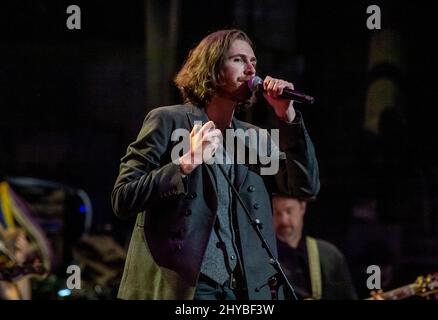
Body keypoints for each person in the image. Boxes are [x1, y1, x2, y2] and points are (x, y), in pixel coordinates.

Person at [111, 29, 320, 300]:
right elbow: (122, 199)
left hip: (244, 290)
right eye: (238, 60)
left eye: (253, 62)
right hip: (188, 287)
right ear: (212, 70)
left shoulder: (253, 138)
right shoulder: (167, 121)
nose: (250, 69)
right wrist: (185, 163)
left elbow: (305, 185)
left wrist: (287, 116)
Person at [272, 194, 357, 300]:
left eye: (289, 211)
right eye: (276, 212)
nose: (283, 220)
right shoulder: (261, 258)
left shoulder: (330, 254)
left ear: (302, 207)